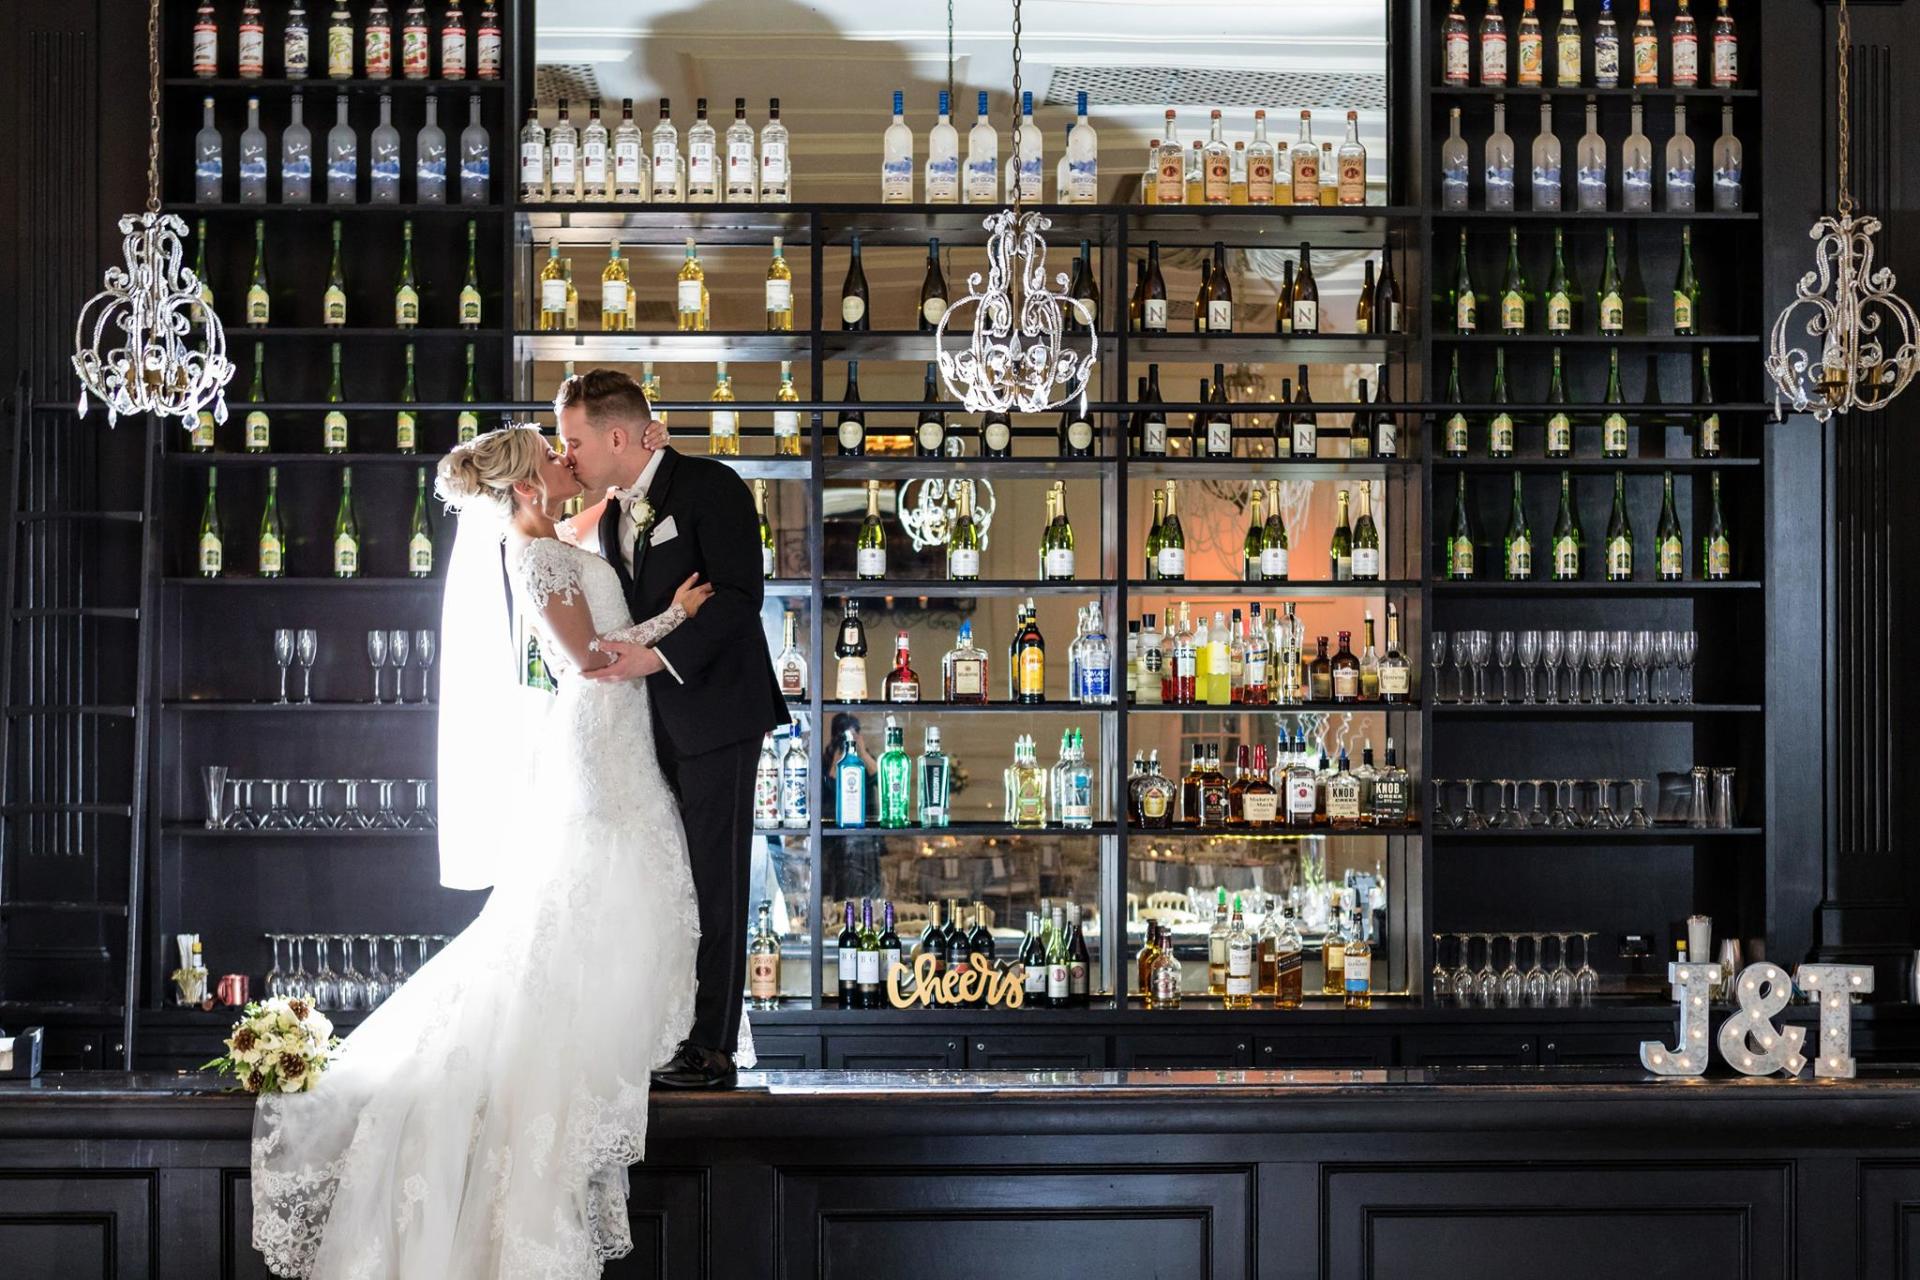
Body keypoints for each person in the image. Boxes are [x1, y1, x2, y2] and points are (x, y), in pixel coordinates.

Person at [250, 424, 720, 1278]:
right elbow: (587, 658)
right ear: (526, 480)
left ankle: (661, 1032)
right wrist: (674, 618)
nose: (564, 457)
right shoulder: (532, 553)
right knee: (590, 886)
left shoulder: (555, 532)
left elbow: (605, 515)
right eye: (553, 450)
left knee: (623, 882)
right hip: (597, 732)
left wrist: (635, 467)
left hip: (618, 739)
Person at [561, 369, 790, 1091]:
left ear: (620, 436)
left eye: (575, 441)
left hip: (718, 713)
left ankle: (713, 1045)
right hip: (646, 724)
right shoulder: (602, 518)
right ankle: (666, 1025)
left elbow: (739, 599)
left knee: (716, 881)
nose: (568, 456)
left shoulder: (712, 487)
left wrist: (658, 654)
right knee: (670, 885)